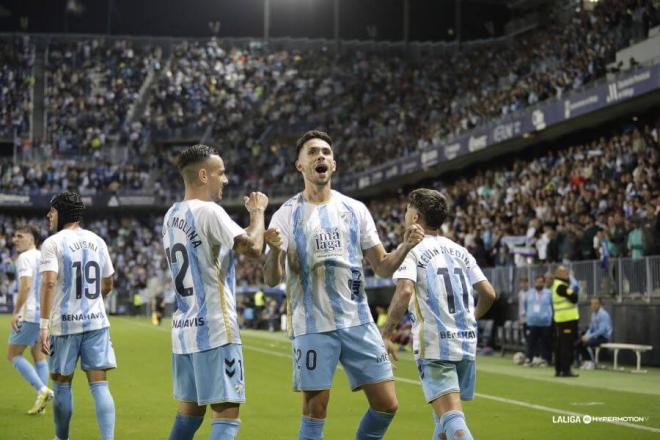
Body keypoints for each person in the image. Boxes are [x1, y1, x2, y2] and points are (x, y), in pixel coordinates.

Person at [263, 130, 424, 440]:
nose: (320, 156)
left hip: (358, 321)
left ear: (333, 164)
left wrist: (404, 246)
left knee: (387, 404)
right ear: (300, 166)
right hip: (312, 324)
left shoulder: (354, 210)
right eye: (312, 152)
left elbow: (382, 267)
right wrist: (272, 251)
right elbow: (272, 279)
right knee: (316, 409)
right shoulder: (286, 214)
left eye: (325, 152)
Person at [162, 144, 267, 440]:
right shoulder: (210, 211)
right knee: (226, 416)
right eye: (221, 173)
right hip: (216, 330)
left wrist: (248, 229)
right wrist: (258, 214)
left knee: (189, 415)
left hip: (185, 331)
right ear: (204, 175)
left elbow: (216, 243)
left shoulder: (171, 215)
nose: (226, 179)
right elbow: (254, 248)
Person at [381, 188, 496, 440]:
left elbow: (403, 293)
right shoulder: (460, 250)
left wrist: (386, 333)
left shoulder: (411, 249)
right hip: (466, 343)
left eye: (406, 210)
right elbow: (489, 294)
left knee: (452, 420)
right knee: (442, 420)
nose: (404, 214)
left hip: (436, 344)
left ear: (415, 217)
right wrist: (471, 318)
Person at [38, 192, 117, 440]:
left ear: (62, 212)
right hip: (96, 324)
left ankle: (61, 438)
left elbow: (50, 284)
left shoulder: (53, 243)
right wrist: (91, 301)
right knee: (100, 386)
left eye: (52, 210)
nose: (49, 215)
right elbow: (108, 283)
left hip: (64, 325)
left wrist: (43, 326)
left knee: (62, 384)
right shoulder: (98, 241)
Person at [7, 225, 53, 415]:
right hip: (42, 314)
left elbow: (25, 286)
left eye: (20, 236)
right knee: (38, 356)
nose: (15, 239)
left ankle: (42, 390)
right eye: (14, 236)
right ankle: (41, 401)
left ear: (31, 239)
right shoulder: (43, 256)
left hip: (28, 314)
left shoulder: (24, 258)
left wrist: (15, 312)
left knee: (13, 355)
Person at [551, 265, 579, 377]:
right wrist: (573, 290)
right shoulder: (561, 286)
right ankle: (566, 370)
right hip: (566, 319)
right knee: (566, 346)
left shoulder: (559, 285)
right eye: (564, 272)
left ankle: (559, 369)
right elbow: (574, 298)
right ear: (557, 274)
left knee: (560, 345)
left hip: (561, 319)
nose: (567, 274)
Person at [523, 275, 553, 367]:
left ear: (544, 283)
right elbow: (525, 305)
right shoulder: (529, 293)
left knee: (545, 342)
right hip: (532, 321)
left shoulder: (549, 293)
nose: (538, 283)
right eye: (537, 282)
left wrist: (549, 317)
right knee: (531, 342)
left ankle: (545, 359)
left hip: (545, 322)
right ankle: (529, 358)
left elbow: (552, 306)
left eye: (540, 282)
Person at [576, 297, 612, 369]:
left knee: (587, 343)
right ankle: (586, 361)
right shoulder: (593, 314)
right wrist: (586, 336)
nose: (594, 305)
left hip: (603, 337)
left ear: (600, 304)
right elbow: (591, 328)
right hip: (595, 336)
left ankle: (592, 362)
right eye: (592, 304)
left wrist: (590, 337)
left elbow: (602, 330)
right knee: (579, 343)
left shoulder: (603, 314)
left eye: (596, 303)